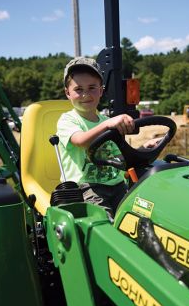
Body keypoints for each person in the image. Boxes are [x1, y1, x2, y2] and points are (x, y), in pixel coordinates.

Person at [57, 56, 135, 219]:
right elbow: (80, 141)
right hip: (86, 187)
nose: (86, 94)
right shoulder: (68, 120)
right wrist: (108, 125)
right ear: (68, 93)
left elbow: (119, 154)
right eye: (79, 89)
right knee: (103, 222)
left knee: (137, 215)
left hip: (118, 185)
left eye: (92, 87)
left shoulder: (106, 121)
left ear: (101, 91)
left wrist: (144, 149)